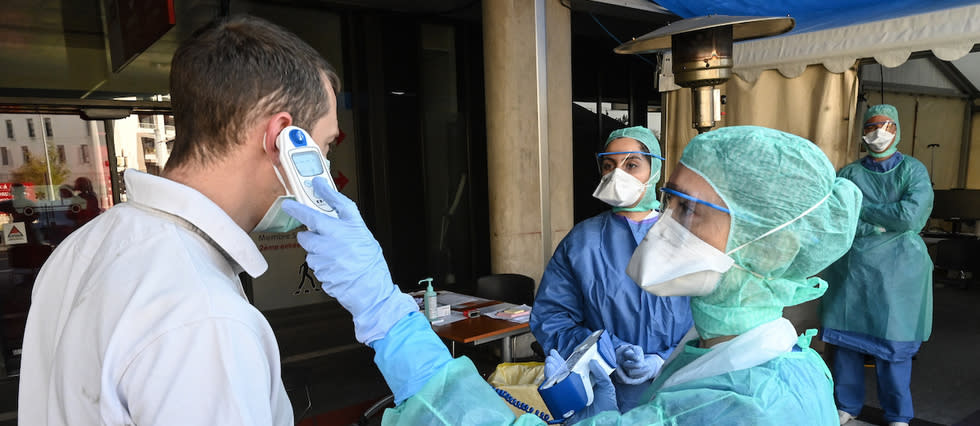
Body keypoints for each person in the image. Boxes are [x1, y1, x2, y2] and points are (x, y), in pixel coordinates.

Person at [283, 125, 861, 425]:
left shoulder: (750, 405)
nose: (666, 225)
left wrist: (386, 314)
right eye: (672, 203)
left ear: (772, 243)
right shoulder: (769, 360)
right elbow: (552, 314)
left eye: (687, 211)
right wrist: (600, 358)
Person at [18, 16, 342, 425]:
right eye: (325, 146)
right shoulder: (206, 317)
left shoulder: (82, 247)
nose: (326, 170)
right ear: (281, 137)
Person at [530, 126, 692, 411]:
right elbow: (552, 316)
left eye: (631, 165)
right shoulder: (581, 241)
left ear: (654, 169)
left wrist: (662, 361)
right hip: (605, 392)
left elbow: (711, 319)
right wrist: (604, 350)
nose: (619, 174)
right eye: (609, 165)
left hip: (680, 388)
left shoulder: (686, 238)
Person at [820, 104, 934, 426]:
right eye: (871, 127)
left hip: (899, 270)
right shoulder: (849, 174)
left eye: (885, 126)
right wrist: (881, 222)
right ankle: (847, 405)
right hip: (853, 269)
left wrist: (864, 211)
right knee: (846, 343)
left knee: (893, 344)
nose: (878, 133)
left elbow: (911, 215)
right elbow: (839, 214)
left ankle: (898, 414)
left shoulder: (913, 171)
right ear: (862, 132)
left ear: (896, 129)